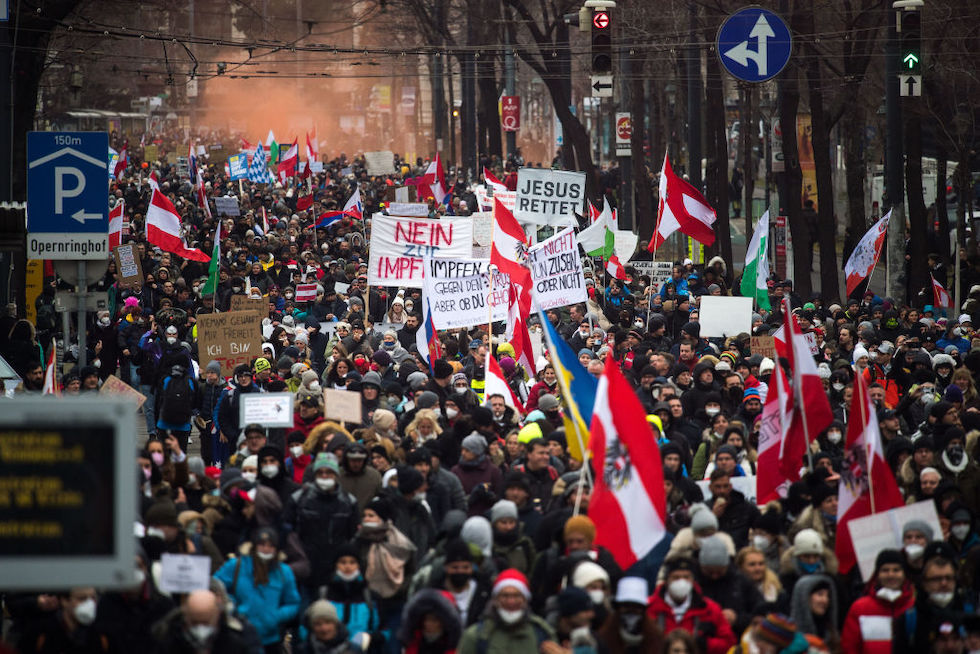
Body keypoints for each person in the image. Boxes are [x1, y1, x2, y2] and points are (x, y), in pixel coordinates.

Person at [213, 527, 300, 653]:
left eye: (270, 546)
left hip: (271, 639)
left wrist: (277, 615)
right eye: (262, 545)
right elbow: (215, 586)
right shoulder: (236, 565)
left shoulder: (284, 572)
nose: (266, 549)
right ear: (254, 546)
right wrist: (232, 606)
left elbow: (293, 603)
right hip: (239, 635)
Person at [646, 556, 736, 654]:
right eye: (676, 577)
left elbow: (729, 642)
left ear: (693, 580)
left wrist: (705, 644)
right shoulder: (649, 608)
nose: (681, 582)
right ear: (667, 580)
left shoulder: (709, 609)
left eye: (686, 577)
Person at [457, 569, 557, 654]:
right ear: (495, 600)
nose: (511, 601)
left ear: (526, 600)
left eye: (517, 596)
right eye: (505, 596)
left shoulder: (542, 632)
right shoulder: (475, 636)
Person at [841, 549, 915, 654]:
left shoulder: (914, 606)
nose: (891, 575)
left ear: (904, 574)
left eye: (896, 570)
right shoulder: (860, 608)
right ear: (877, 574)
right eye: (885, 570)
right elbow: (850, 648)